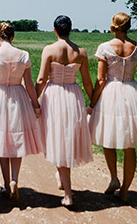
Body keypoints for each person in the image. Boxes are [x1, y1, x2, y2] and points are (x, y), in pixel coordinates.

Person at [88, 12, 137, 203]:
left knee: (108, 137)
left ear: (113, 25)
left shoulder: (105, 47)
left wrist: (92, 101)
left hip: (110, 93)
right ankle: (125, 191)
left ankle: (114, 178)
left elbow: (101, 79)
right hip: (132, 92)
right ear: (128, 26)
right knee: (129, 145)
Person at [0, 22, 43, 202]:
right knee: (16, 140)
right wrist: (36, 105)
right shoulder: (24, 55)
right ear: (13, 37)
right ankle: (14, 180)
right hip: (18, 95)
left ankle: (6, 184)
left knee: (1, 141)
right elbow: (29, 84)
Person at [35, 15, 94, 206]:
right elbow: (86, 81)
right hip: (73, 95)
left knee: (57, 137)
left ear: (54, 30)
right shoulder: (81, 52)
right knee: (66, 138)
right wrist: (93, 100)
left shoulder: (50, 49)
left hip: (54, 94)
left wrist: (33, 99)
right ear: (70, 30)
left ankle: (68, 194)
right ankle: (62, 177)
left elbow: (41, 79)